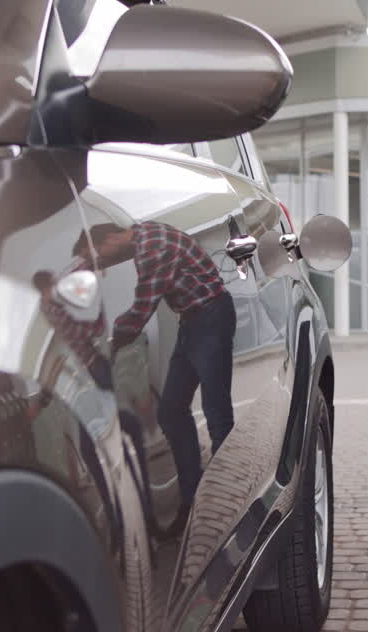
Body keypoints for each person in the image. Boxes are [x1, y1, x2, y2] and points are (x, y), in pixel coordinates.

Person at [75, 222, 237, 520]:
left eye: (99, 252)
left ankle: (226, 505)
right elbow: (115, 255)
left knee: (216, 412)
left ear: (111, 237)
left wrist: (109, 345)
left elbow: (140, 312)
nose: (102, 260)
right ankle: (193, 499)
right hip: (193, 321)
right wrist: (85, 263)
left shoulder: (151, 249)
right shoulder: (143, 235)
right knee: (172, 411)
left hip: (210, 319)